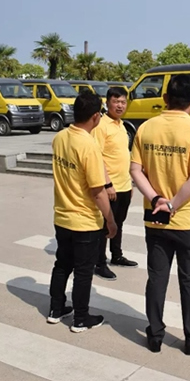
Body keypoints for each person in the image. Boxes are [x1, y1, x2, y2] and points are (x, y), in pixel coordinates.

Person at [130, 74, 190, 355]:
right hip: (187, 219)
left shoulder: (146, 129)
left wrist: (156, 199)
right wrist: (174, 204)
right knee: (189, 282)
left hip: (155, 217)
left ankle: (154, 334)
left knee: (157, 278)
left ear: (165, 98)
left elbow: (135, 171)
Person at [47, 91, 117, 333]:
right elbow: (98, 192)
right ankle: (81, 318)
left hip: (62, 216)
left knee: (62, 265)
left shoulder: (60, 137)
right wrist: (111, 220)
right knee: (84, 272)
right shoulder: (89, 145)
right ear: (96, 116)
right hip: (85, 220)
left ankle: (56, 309)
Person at [91, 87, 138, 281]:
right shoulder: (101, 125)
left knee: (118, 222)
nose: (120, 105)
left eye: (123, 102)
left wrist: (131, 183)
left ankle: (116, 255)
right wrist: (107, 184)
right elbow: (96, 156)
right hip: (110, 186)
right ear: (107, 102)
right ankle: (99, 263)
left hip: (125, 185)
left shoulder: (122, 125)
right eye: (116, 101)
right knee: (105, 225)